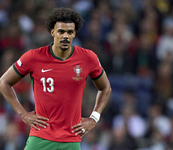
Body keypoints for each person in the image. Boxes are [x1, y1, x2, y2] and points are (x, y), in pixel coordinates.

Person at [0, 7, 111, 150]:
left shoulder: (88, 57)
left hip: (71, 139)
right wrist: (23, 114)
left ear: (74, 34)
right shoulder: (34, 57)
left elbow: (105, 87)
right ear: (52, 32)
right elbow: (4, 82)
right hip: (40, 138)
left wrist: (94, 118)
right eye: (61, 31)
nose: (65, 36)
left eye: (70, 32)